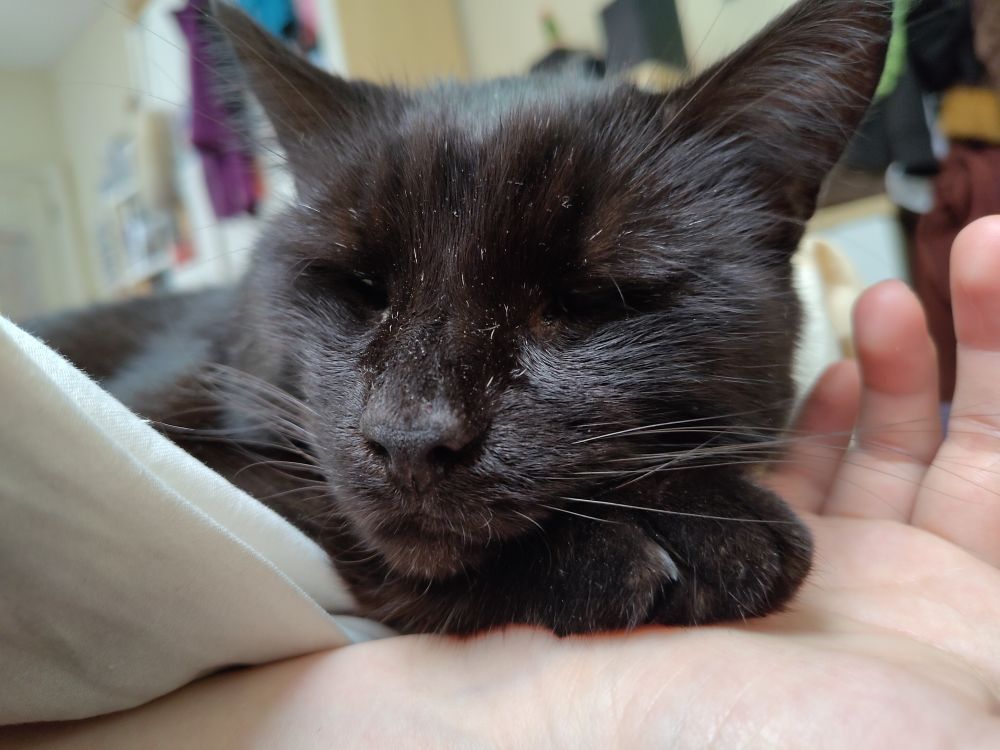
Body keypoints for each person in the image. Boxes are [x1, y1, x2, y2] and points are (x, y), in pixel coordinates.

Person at [5, 217, 1000, 748]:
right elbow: (153, 465)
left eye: (586, 301)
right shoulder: (234, 356)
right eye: (359, 292)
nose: (409, 428)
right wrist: (486, 581)